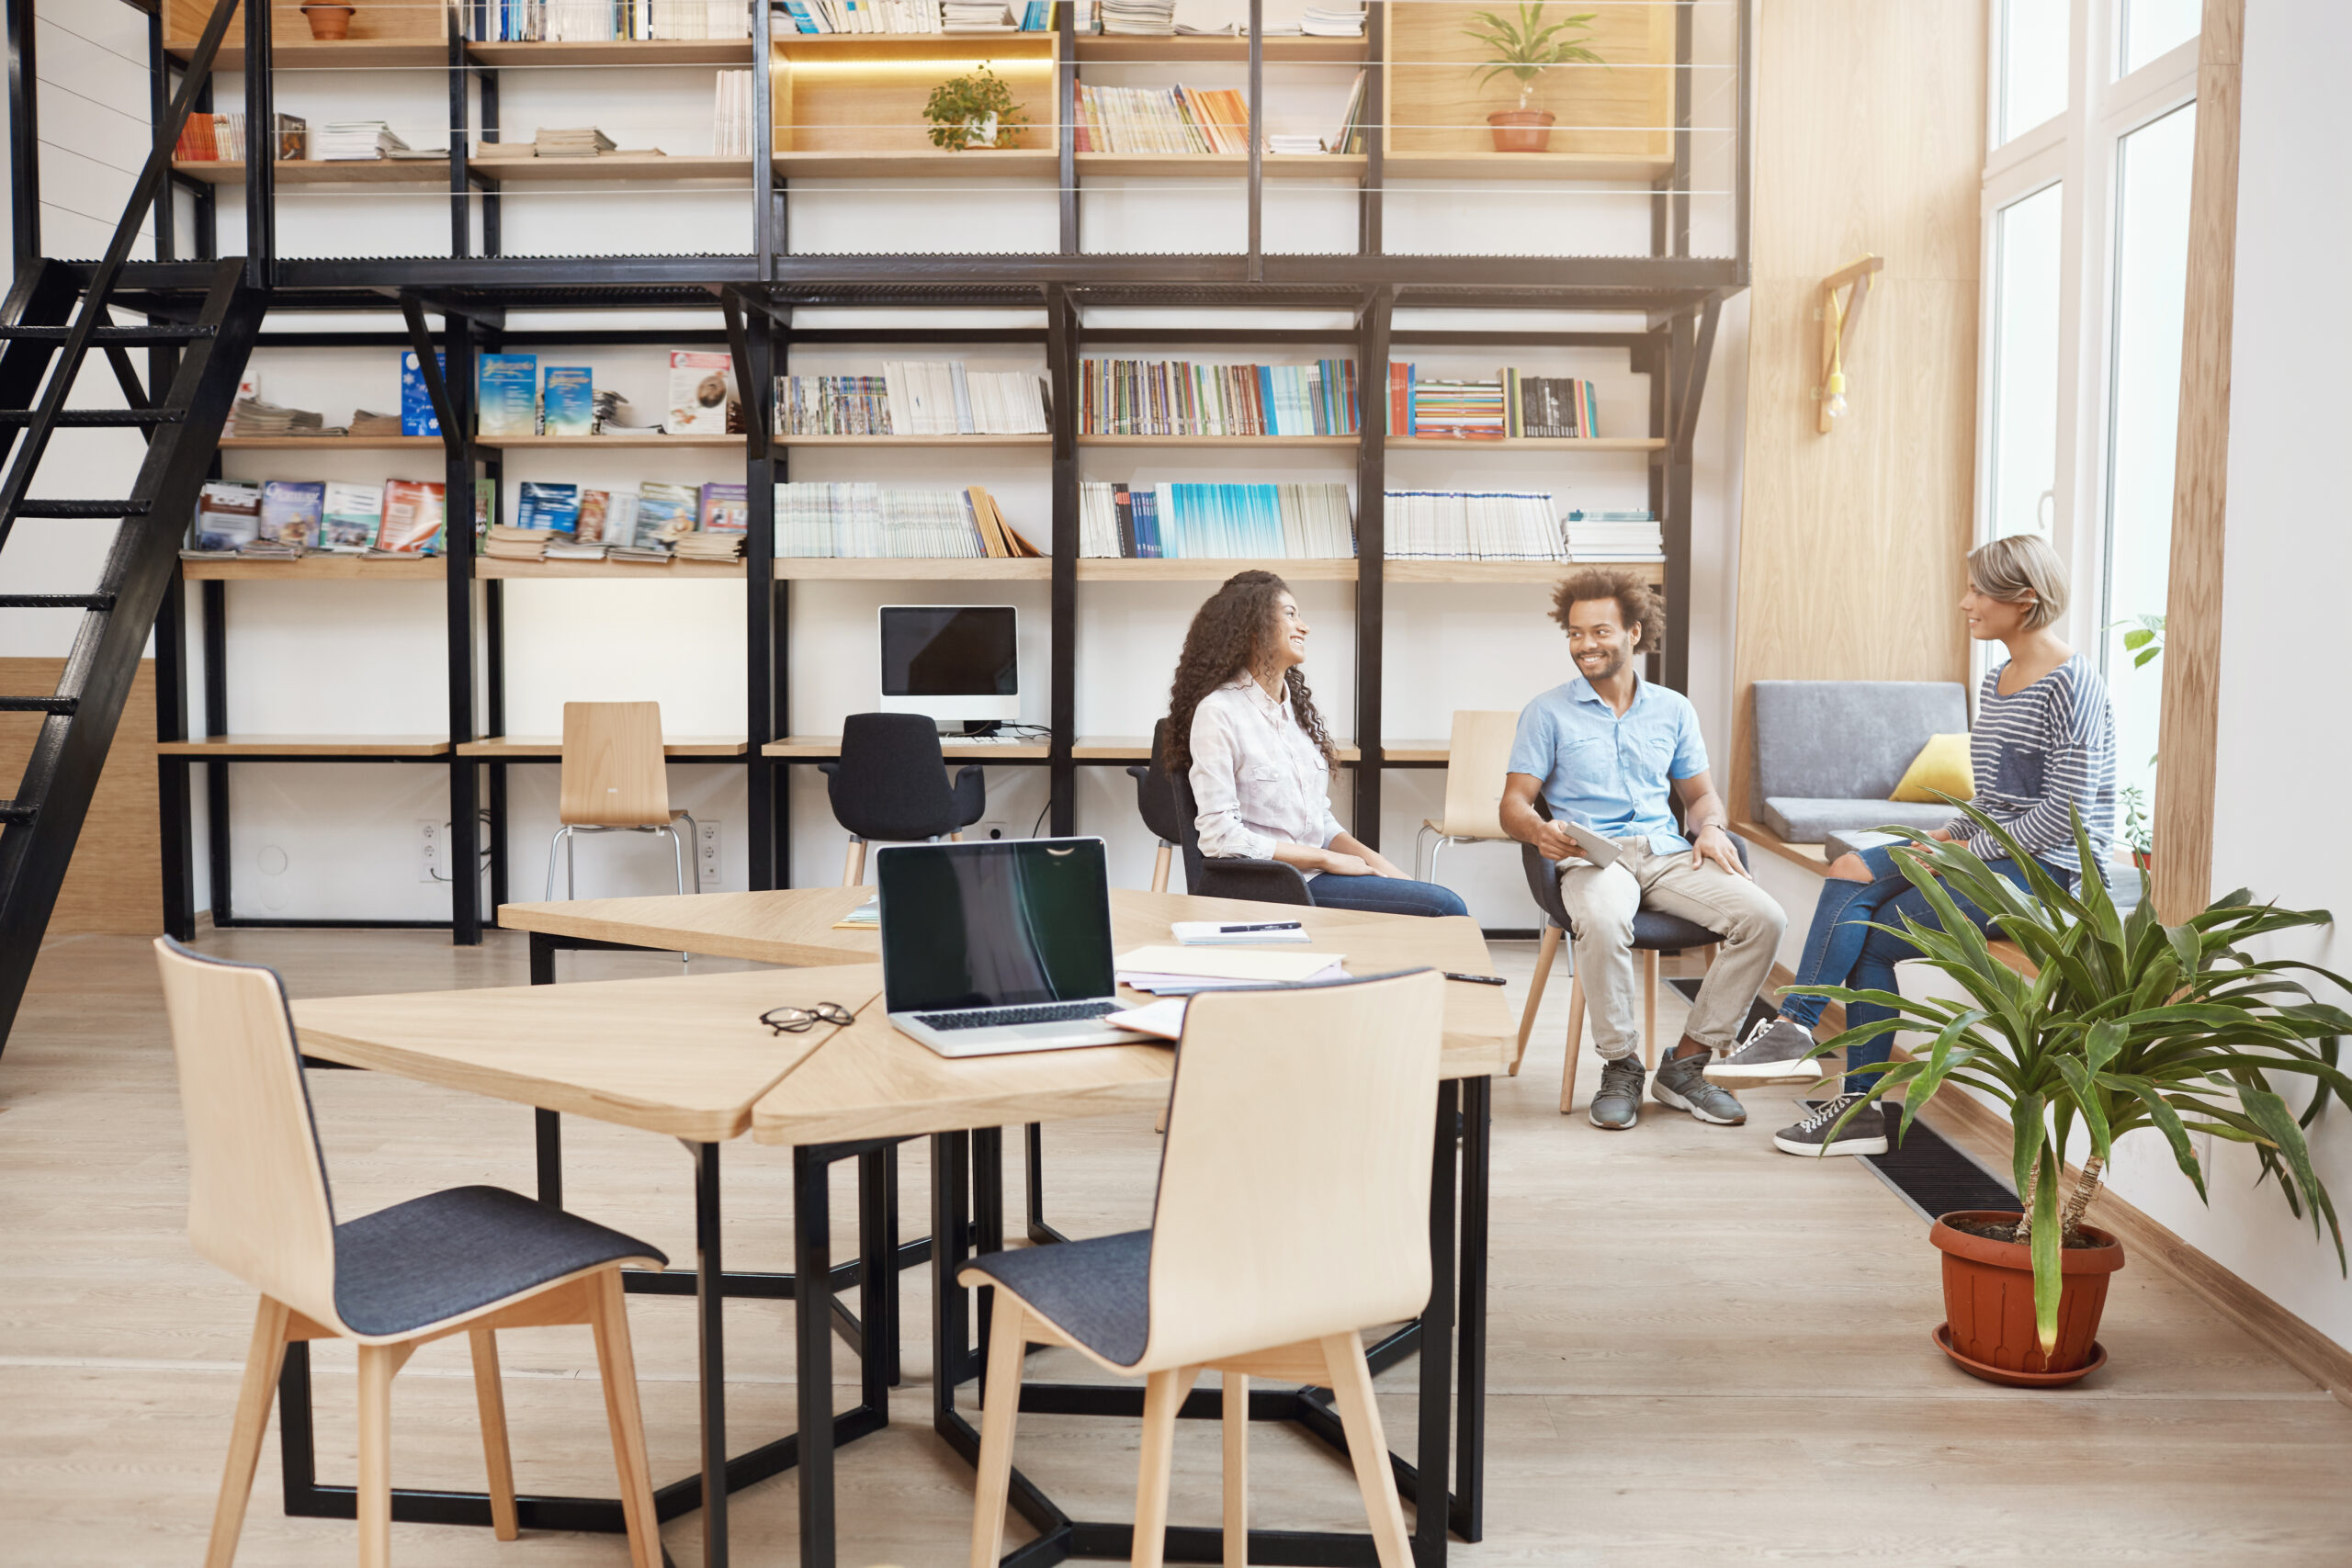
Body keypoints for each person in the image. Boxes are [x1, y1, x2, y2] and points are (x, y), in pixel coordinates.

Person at [1727, 533, 2118, 1157]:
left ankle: (1855, 1107)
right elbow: (1993, 800)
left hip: (2045, 874)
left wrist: (1964, 855)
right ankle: (1796, 1029)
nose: (1965, 603)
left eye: (1978, 592)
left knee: (1872, 938)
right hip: (1988, 852)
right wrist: (1946, 835)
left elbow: (2062, 817)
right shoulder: (1998, 680)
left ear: (2024, 598)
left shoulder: (2073, 686)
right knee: (1850, 866)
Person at [1499, 569, 1786, 1131]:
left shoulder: (1673, 709)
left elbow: (1700, 797)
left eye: (1600, 631)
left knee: (1765, 918)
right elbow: (1513, 803)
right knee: (1604, 919)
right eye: (1575, 633)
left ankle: (1687, 1064)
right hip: (1594, 857)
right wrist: (1537, 831)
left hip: (1667, 854)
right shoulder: (1546, 712)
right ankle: (1621, 1064)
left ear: (1634, 632)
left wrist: (1710, 828)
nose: (1585, 644)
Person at [1169, 570, 1469, 919]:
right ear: (1252, 629)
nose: (1305, 627)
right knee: (1444, 907)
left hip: (1314, 876)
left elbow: (1320, 823)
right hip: (1271, 882)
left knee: (1433, 899)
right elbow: (1220, 837)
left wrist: (1380, 865)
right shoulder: (1219, 712)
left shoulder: (1294, 715)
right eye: (1290, 614)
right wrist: (1327, 860)